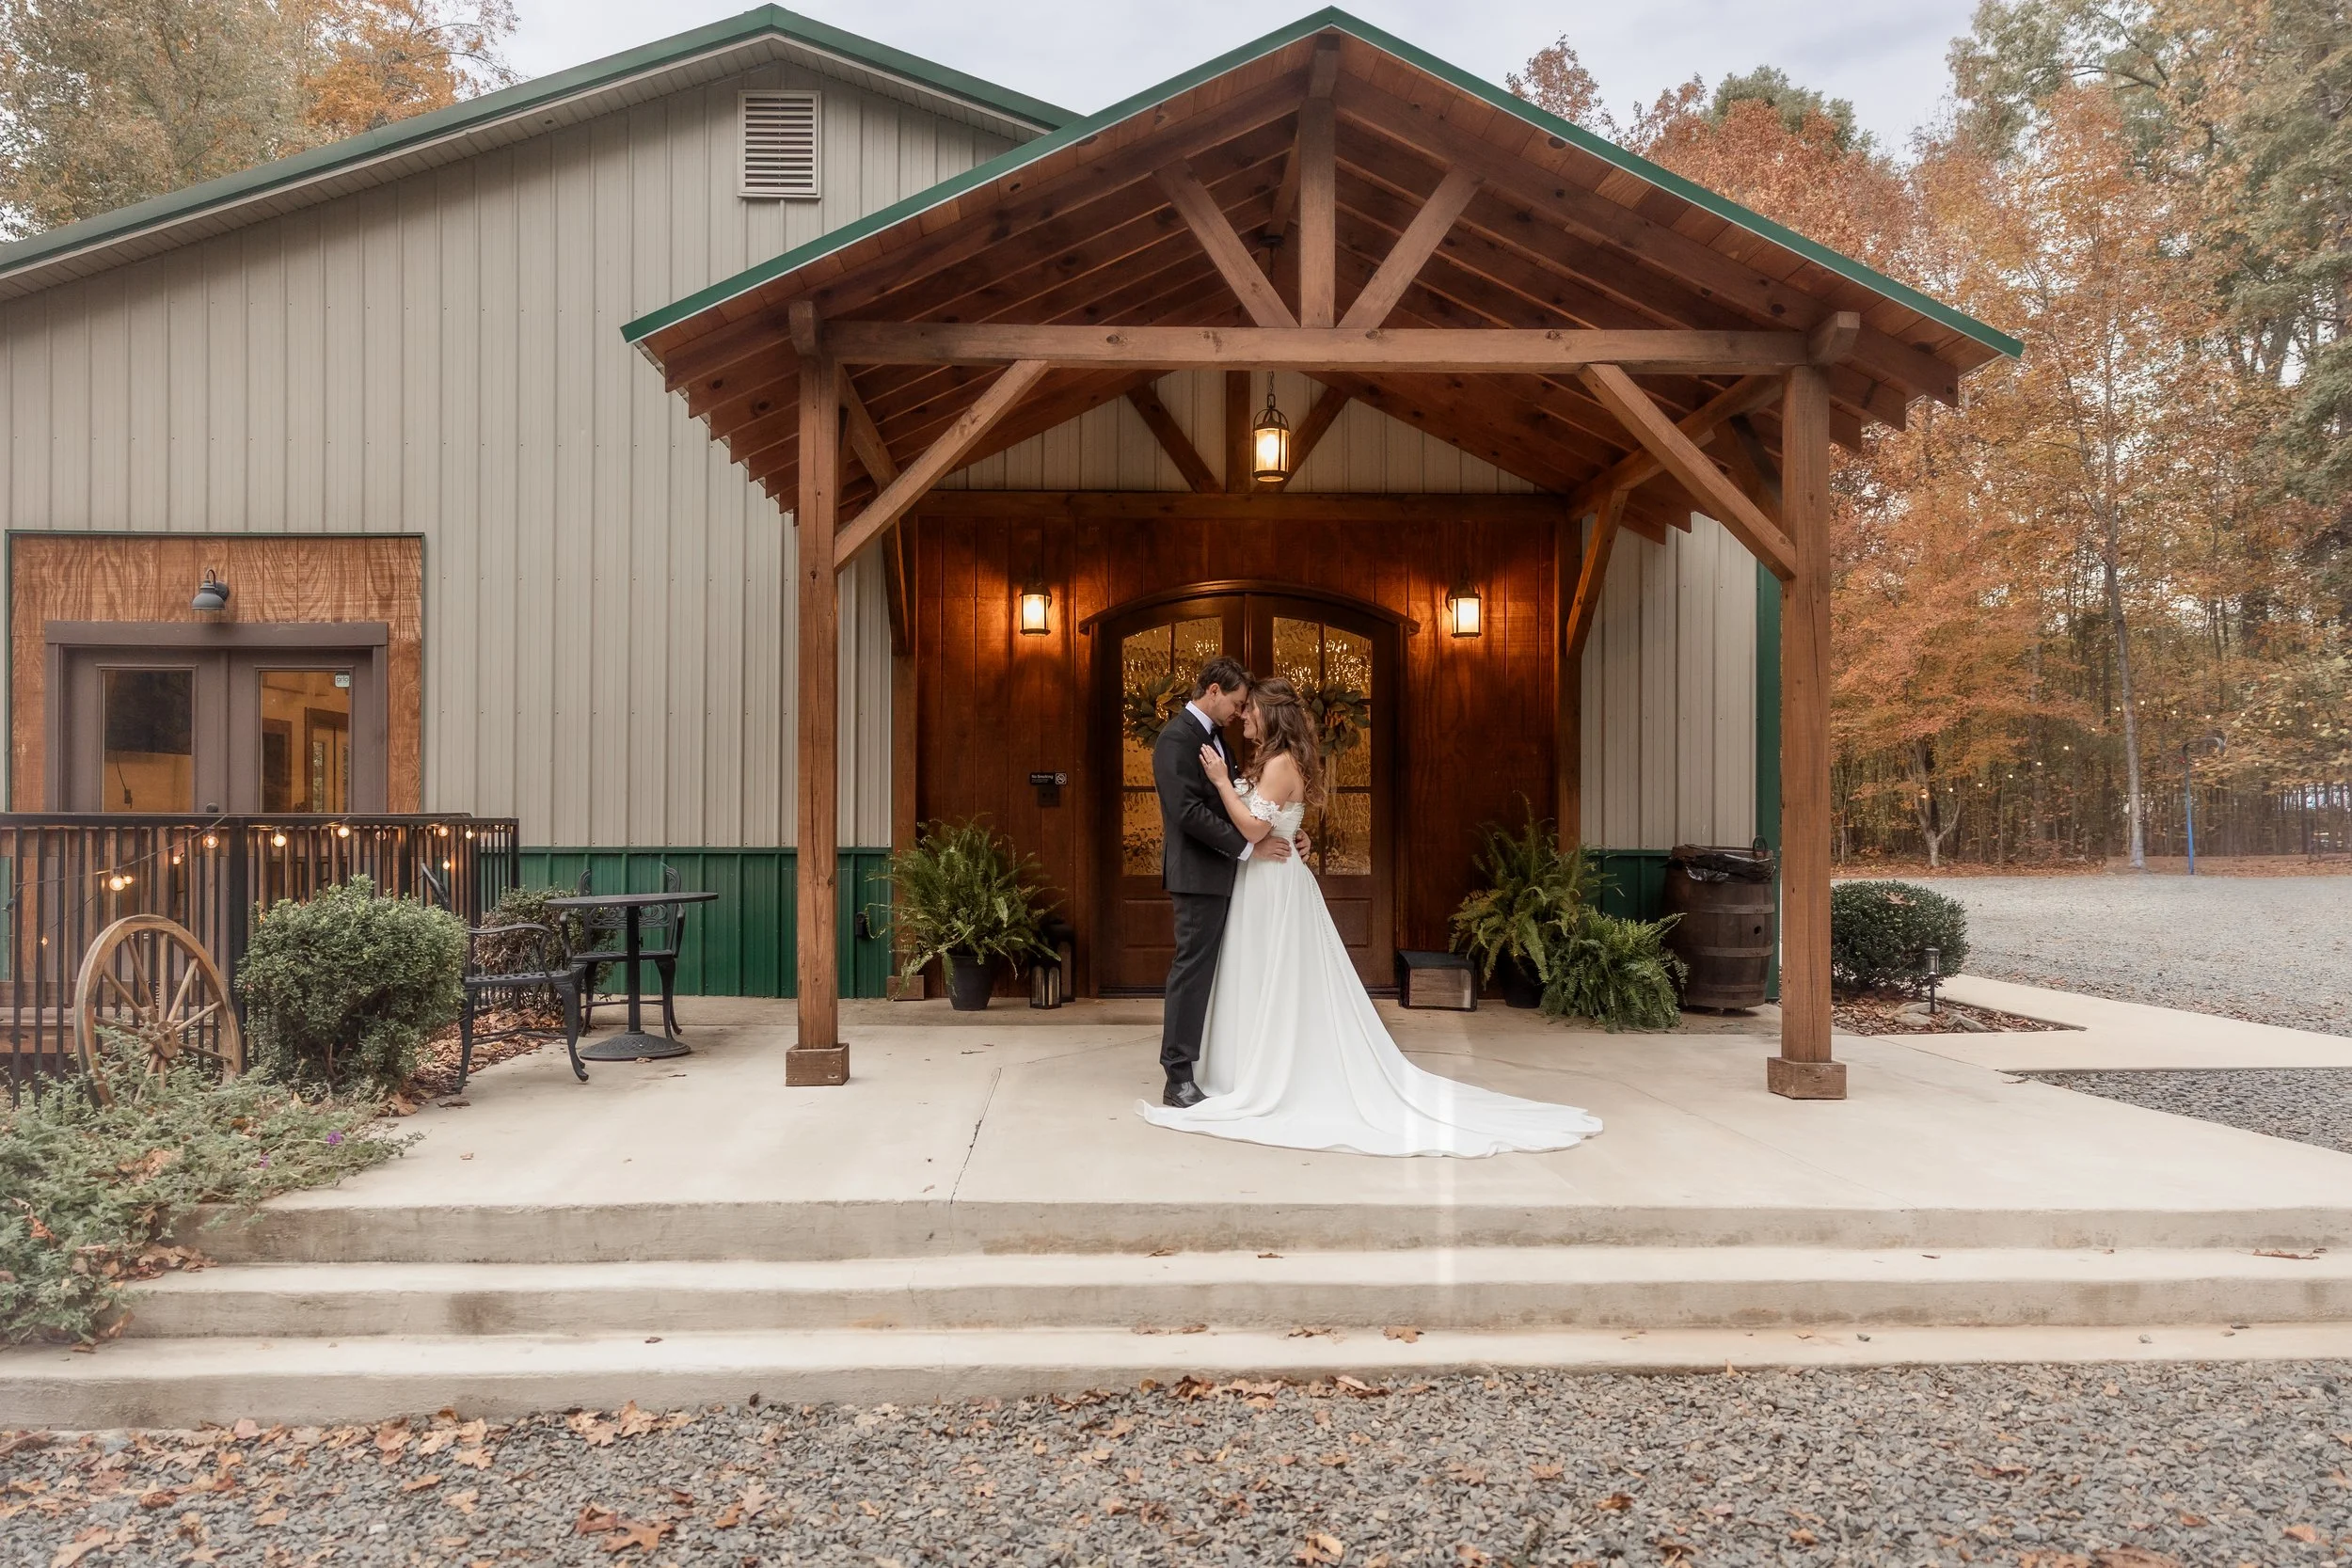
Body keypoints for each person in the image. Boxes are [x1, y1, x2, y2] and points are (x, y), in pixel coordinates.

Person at [1137, 675, 1604, 1158]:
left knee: (1273, 976)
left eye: (1250, 708)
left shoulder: (1275, 762)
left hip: (1271, 882)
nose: (1243, 715)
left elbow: (1255, 825)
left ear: (1269, 714)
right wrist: (1284, 832)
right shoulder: (1241, 752)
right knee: (1257, 975)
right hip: (1259, 879)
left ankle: (1267, 1070)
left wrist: (1228, 790)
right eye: (1241, 706)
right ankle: (1239, 1066)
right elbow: (1251, 819)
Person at [1148, 656, 1302, 1108]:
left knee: (1224, 973)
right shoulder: (1176, 739)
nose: (1240, 712)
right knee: (1192, 972)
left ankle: (1226, 1066)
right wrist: (1250, 847)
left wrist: (1288, 831)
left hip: (1231, 873)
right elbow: (1187, 813)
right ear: (1213, 690)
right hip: (1199, 875)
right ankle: (1178, 1076)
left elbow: (1243, 801)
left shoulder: (1218, 738)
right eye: (1236, 702)